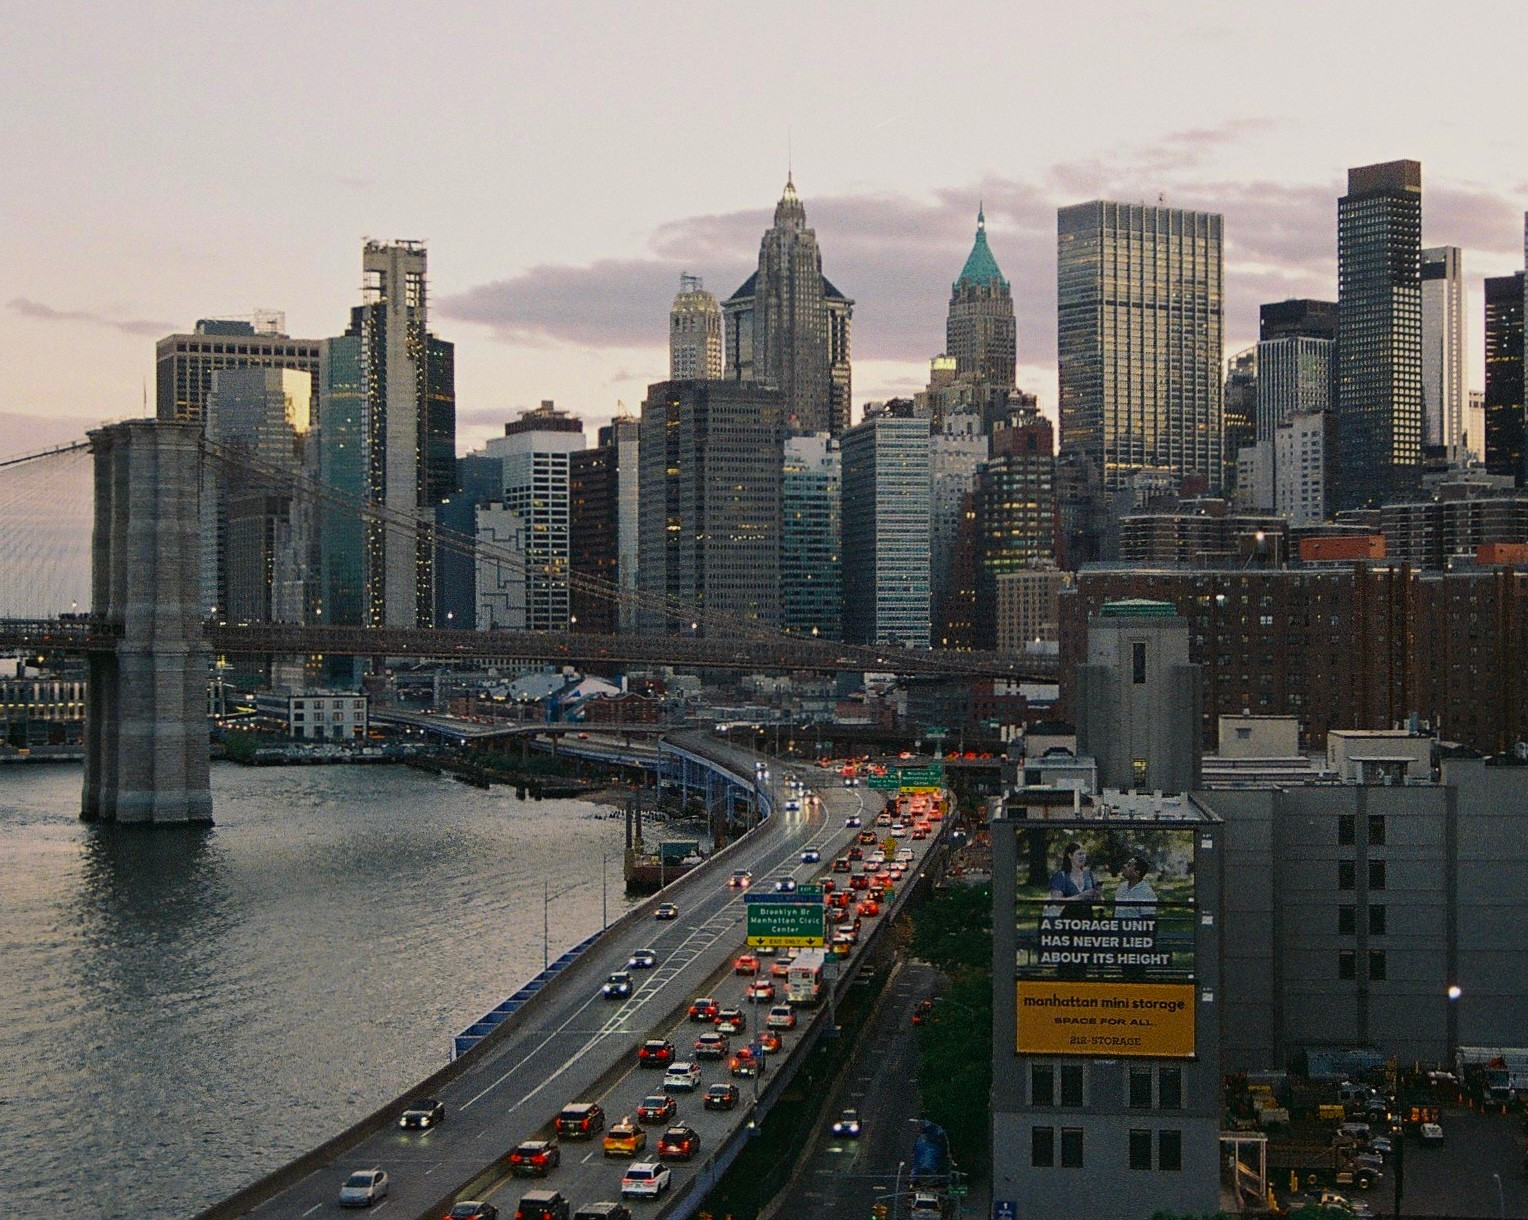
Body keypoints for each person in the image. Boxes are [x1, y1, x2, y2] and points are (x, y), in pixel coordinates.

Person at [1047, 841, 1102, 911]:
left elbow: (1098, 902)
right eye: (1079, 854)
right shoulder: (1060, 876)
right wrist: (1080, 897)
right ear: (1070, 856)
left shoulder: (1090, 875)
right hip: (1067, 919)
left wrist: (1098, 895)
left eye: (1084, 854)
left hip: (1087, 920)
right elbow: (1056, 903)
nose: (1083, 857)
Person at [1113, 855, 1158, 920]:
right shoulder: (1121, 887)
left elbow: (1148, 921)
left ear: (1137, 873)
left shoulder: (1146, 893)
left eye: (1129, 865)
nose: (1124, 866)